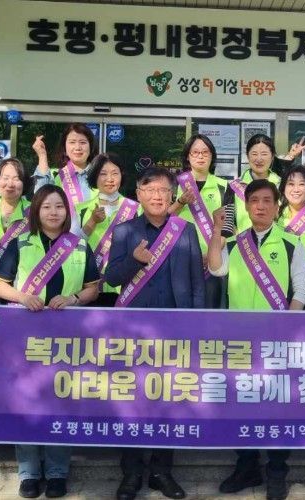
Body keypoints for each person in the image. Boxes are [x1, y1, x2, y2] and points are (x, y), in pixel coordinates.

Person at [0, 184, 99, 499]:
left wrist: (74, 298)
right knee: (26, 401)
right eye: (47, 206)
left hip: (66, 338)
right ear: (36, 210)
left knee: (61, 402)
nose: (53, 212)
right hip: (25, 337)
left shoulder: (79, 246)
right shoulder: (20, 243)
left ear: (68, 212)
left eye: (59, 206)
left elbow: (93, 287)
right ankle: (28, 473)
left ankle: (57, 473)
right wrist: (22, 297)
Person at [105, 167, 205, 500]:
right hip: (133, 331)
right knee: (131, 401)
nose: (157, 196)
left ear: (172, 194)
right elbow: (111, 278)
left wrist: (196, 325)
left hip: (176, 330)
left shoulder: (185, 230)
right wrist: (135, 261)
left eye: (163, 190)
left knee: (170, 402)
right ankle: (131, 473)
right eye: (150, 190)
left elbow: (196, 281)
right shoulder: (124, 231)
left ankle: (162, 472)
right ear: (139, 194)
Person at [209, 179, 305, 500]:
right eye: (254, 200)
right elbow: (216, 269)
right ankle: (247, 465)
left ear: (277, 207)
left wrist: (287, 326)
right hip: (240, 340)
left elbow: (301, 289)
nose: (261, 206)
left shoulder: (291, 243)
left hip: (277, 341)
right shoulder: (235, 243)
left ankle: (277, 471)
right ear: (247, 205)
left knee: (277, 406)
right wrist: (216, 231)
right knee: (243, 404)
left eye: (267, 200)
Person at [169, 133, 227, 308]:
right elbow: (161, 218)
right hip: (178, 260)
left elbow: (229, 228)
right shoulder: (175, 185)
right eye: (195, 152)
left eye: (205, 152)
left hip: (212, 263)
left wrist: (210, 255)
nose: (200, 156)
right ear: (188, 156)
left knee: (209, 314)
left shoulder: (225, 186)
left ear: (212, 156)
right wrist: (180, 202)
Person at [78, 152, 140, 307]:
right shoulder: (80, 209)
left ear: (122, 175)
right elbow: (72, 246)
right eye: (103, 174)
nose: (110, 179)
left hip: (126, 286)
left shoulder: (136, 209)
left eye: (115, 173)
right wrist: (92, 222)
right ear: (94, 176)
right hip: (88, 286)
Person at [32, 123, 99, 233]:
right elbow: (39, 199)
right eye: (72, 142)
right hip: (63, 241)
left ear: (91, 147)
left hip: (97, 240)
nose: (78, 147)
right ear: (65, 148)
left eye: (83, 142)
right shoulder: (54, 175)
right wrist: (42, 156)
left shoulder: (101, 176)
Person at [221, 134, 282, 237]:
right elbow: (227, 224)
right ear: (247, 156)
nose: (259, 159)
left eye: (264, 154)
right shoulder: (233, 187)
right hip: (244, 245)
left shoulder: (281, 185)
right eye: (254, 154)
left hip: (276, 244)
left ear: (272, 157)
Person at [277, 165, 305, 264]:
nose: (296, 189)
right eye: (291, 184)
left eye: (301, 184)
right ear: (283, 189)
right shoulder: (274, 218)